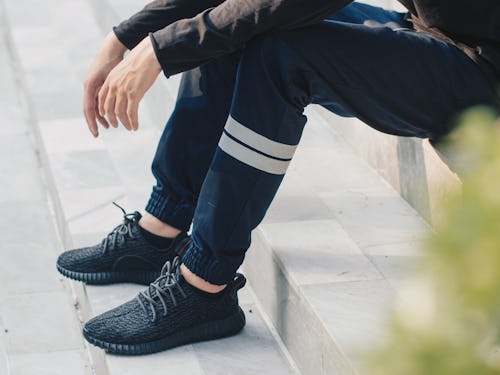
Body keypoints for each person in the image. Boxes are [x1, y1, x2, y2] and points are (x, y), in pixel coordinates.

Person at [57, 0, 499, 355]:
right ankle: (163, 224)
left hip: (482, 71)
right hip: (431, 30)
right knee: (233, 17)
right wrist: (125, 38)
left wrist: (161, 48)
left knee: (280, 55)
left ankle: (205, 284)